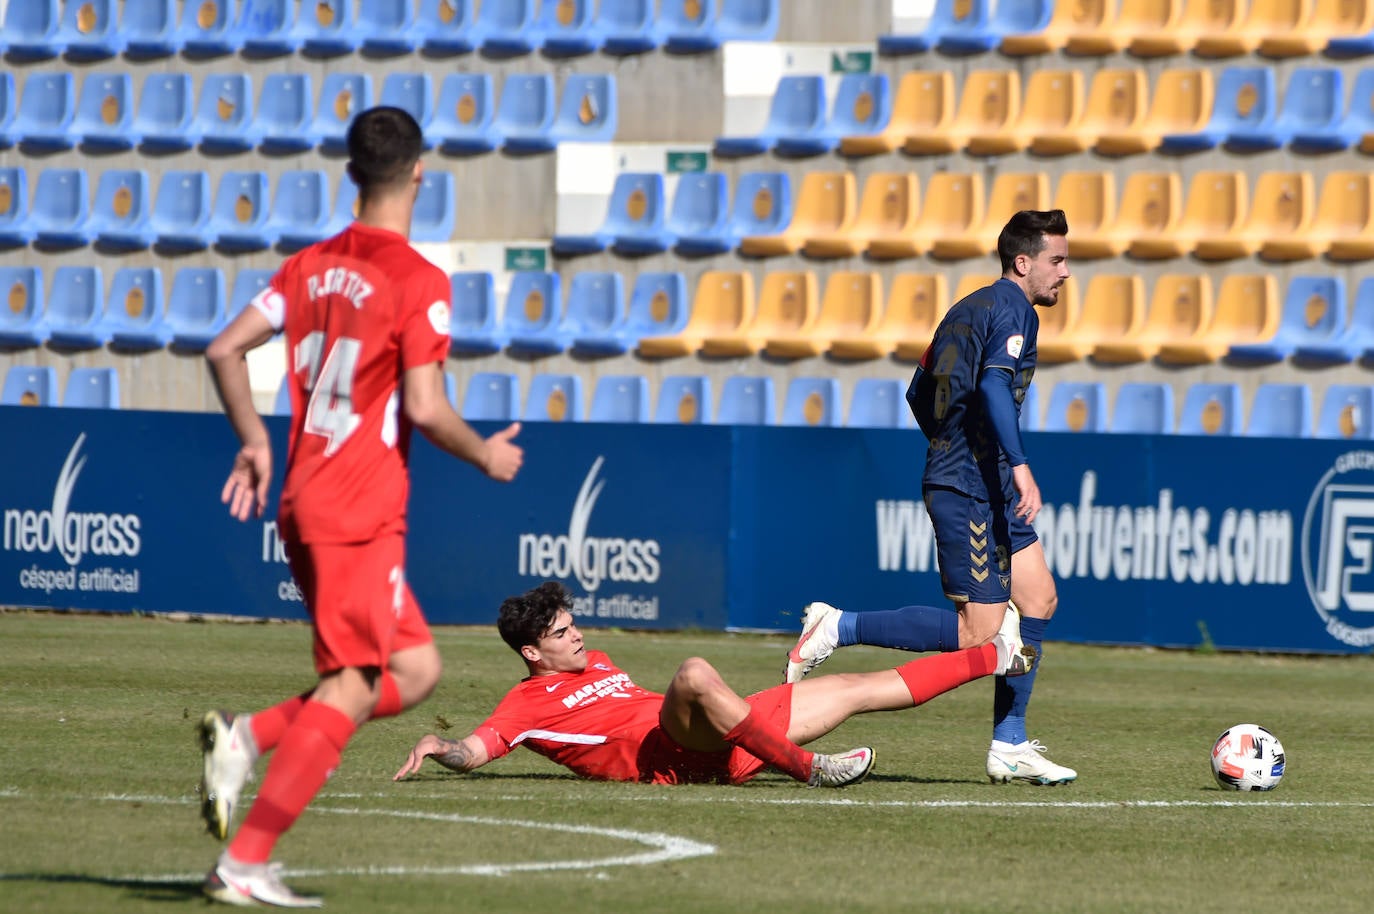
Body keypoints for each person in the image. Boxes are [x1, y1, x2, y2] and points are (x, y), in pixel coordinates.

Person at [198, 106, 525, 908]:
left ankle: (247, 739)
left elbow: (223, 346)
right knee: (353, 681)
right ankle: (244, 860)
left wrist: (254, 439)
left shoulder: (306, 267)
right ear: (420, 173)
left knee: (415, 671)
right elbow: (423, 402)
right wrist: (486, 453)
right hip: (358, 510)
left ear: (352, 175)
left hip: (306, 496)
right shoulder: (418, 279)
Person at [785, 209, 1076, 787]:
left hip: (977, 475)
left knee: (1039, 597)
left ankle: (1010, 743)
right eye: (1057, 260)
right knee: (979, 634)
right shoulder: (1013, 309)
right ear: (1024, 263)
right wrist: (1012, 464)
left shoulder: (965, 309)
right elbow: (994, 383)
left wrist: (956, 444)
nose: (1065, 273)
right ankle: (836, 626)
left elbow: (919, 391)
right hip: (973, 484)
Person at [393, 581, 1035, 787]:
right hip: (673, 755)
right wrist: (438, 747)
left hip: (724, 731)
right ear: (531, 651)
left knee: (859, 686)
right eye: (562, 634)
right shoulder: (523, 702)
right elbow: (476, 751)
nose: (578, 635)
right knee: (695, 671)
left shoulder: (598, 660)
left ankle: (996, 659)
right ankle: (807, 769)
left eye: (573, 623)